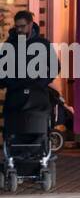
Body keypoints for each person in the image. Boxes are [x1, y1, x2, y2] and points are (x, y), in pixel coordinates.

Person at [1, 11, 54, 145]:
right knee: (12, 129)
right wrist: (10, 83)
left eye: (22, 26)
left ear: (30, 25)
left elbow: (54, 67)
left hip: (37, 95)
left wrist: (42, 83)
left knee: (38, 127)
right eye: (17, 26)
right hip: (15, 95)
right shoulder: (9, 45)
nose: (19, 30)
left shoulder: (43, 44)